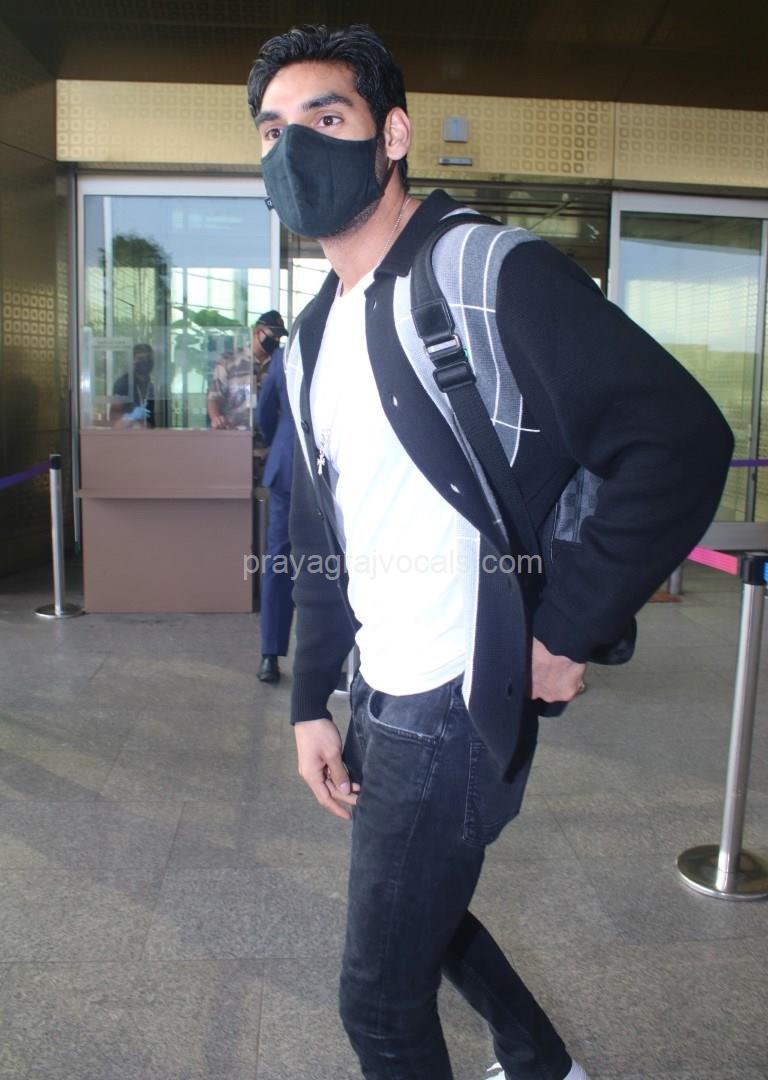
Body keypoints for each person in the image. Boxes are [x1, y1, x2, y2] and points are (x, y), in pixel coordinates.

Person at [247, 25, 734, 1080]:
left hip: (457, 701)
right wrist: (310, 700)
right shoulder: (314, 335)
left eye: (326, 117)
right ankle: (541, 1058)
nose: (295, 149)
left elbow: (679, 439)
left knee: (378, 1003)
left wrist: (564, 630)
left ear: (393, 134)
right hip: (380, 688)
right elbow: (320, 531)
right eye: (273, 131)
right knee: (421, 903)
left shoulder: (482, 271)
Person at [254, 311, 293, 683]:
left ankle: (270, 655)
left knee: (278, 561)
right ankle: (339, 661)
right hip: (327, 475)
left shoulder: (281, 359)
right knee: (333, 564)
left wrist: (278, 442)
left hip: (286, 469)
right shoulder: (338, 348)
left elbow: (264, 413)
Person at [111, 343, 155, 428]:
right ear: (133, 361)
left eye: (148, 358)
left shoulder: (151, 386)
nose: (145, 361)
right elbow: (114, 417)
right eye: (140, 358)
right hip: (128, 433)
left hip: (149, 433)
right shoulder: (123, 384)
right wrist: (131, 417)